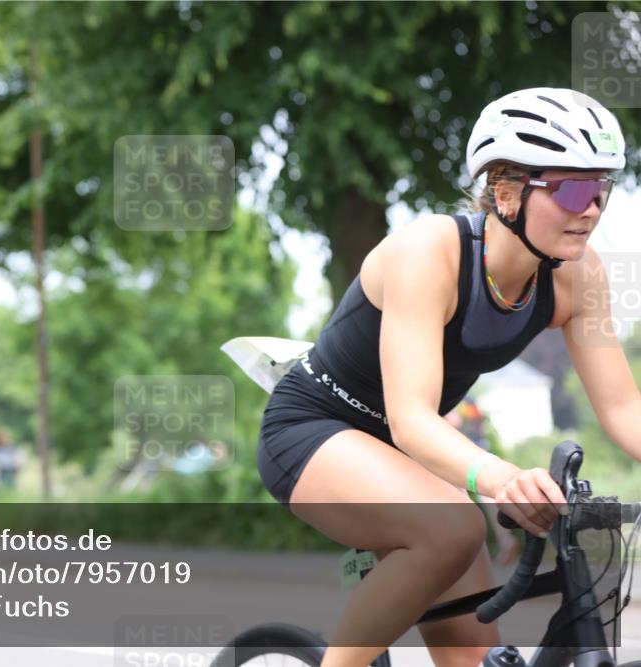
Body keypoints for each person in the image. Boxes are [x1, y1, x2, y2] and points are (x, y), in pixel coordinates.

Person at [256, 87, 641, 667]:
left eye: (602, 189)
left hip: (410, 460)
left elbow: (622, 408)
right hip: (314, 430)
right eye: (573, 188)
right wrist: (506, 478)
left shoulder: (575, 279)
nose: (591, 208)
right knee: (454, 529)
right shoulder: (428, 252)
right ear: (506, 191)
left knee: (472, 661)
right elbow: (411, 418)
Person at [446, 398, 521, 567]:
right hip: (478, 451)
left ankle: (465, 550)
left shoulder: (450, 397)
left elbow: (453, 420)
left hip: (458, 452)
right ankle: (505, 540)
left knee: (456, 496)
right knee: (486, 496)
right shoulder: (469, 398)